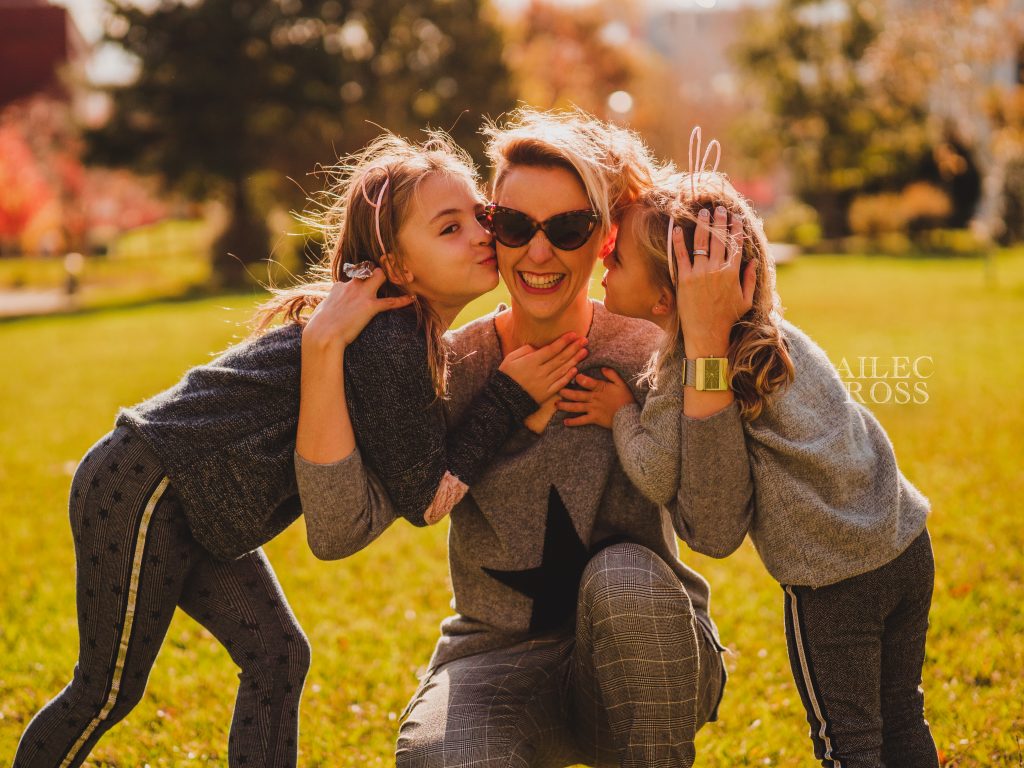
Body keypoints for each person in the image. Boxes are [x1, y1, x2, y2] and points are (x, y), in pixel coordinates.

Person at [14, 132, 583, 768]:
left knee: (277, 656)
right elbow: (428, 499)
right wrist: (507, 399)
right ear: (397, 265)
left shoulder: (402, 330)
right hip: (147, 486)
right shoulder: (390, 337)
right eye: (449, 229)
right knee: (107, 690)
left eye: (479, 218)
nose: (482, 237)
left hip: (196, 512)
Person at [297, 109, 754, 768]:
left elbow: (715, 528)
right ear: (492, 230)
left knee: (624, 576)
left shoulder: (650, 354)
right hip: (495, 664)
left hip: (647, 649)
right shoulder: (452, 369)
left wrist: (706, 343)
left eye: (567, 229)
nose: (538, 254)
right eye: (514, 226)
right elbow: (337, 531)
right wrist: (321, 349)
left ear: (603, 237)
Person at [561, 153, 939, 768]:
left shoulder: (686, 369)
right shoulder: (781, 338)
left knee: (851, 745)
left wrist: (619, 413)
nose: (604, 259)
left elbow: (658, 472)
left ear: (665, 300)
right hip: (906, 547)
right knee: (903, 717)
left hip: (834, 582)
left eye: (619, 258)